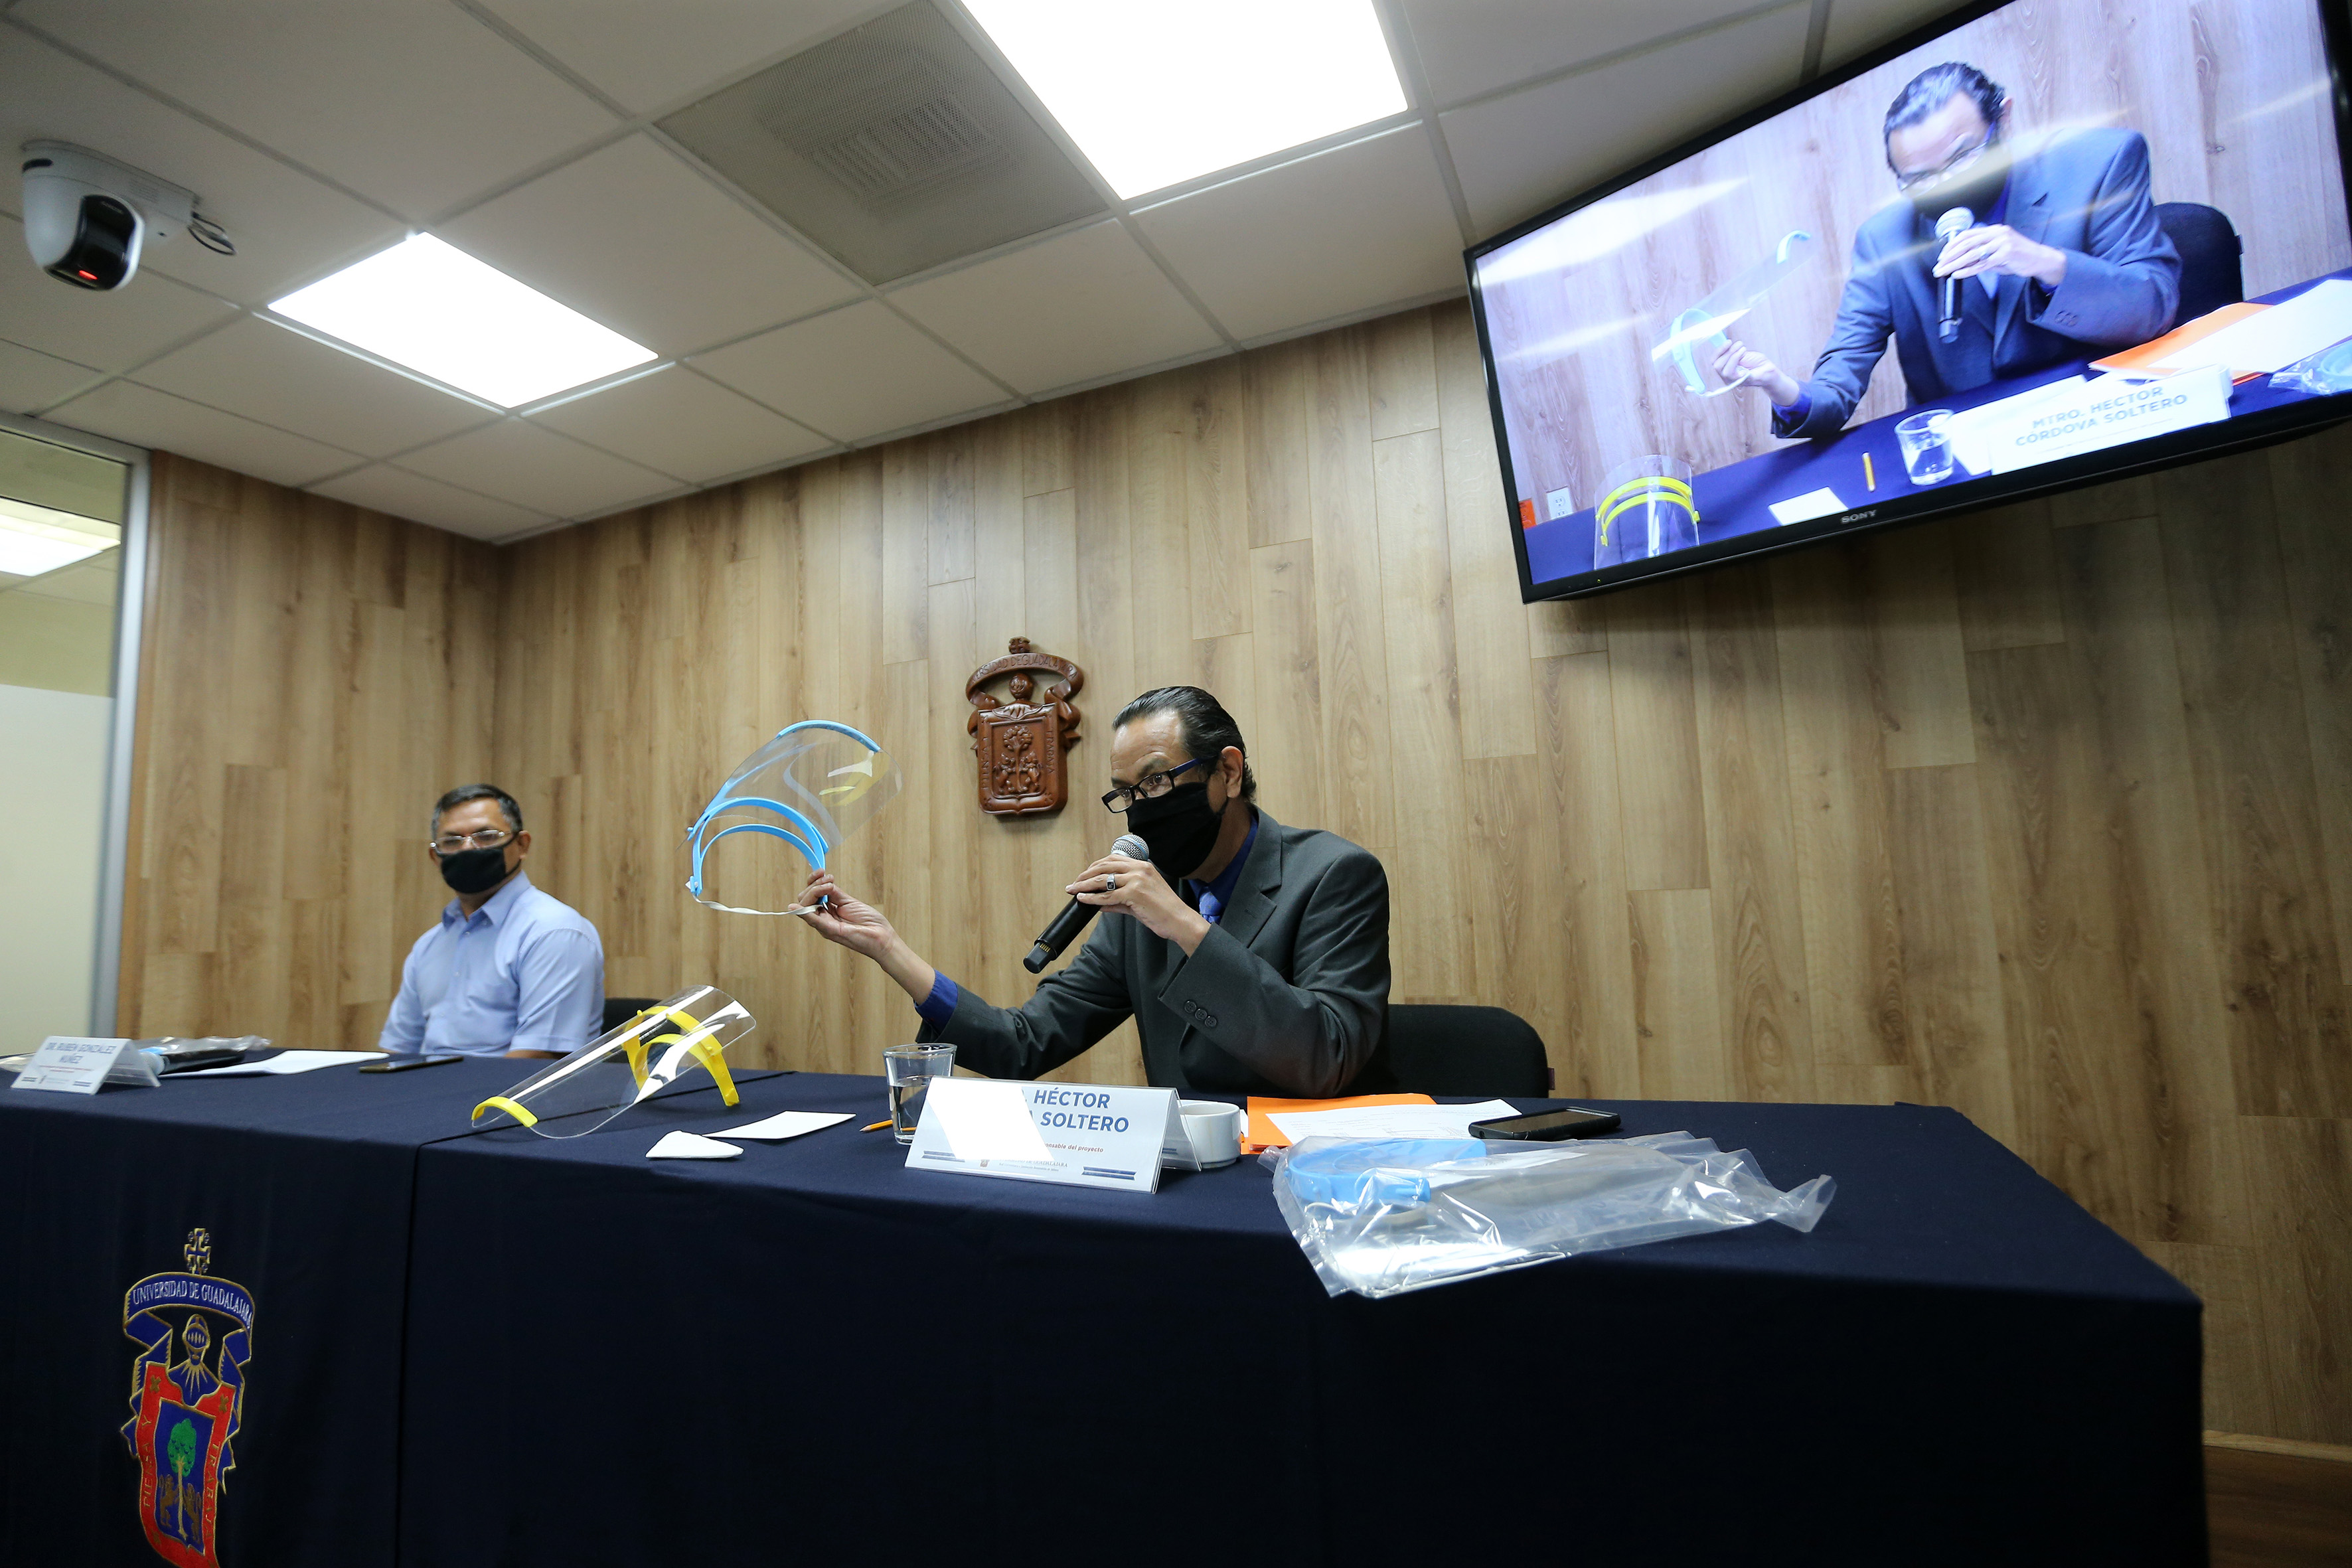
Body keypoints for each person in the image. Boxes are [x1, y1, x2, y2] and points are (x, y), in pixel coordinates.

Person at [794, 686, 1394, 1097]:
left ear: (1228, 773)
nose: (1139, 808)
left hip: (1312, 1181)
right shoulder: (1140, 908)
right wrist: (888, 948)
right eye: (1125, 792)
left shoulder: (1333, 875)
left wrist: (1184, 926)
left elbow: (1327, 1058)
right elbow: (1022, 1045)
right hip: (1186, 1181)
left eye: (1156, 781)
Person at [1715, 61, 2181, 437]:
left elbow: (2152, 308)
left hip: (2101, 425)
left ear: (2002, 120)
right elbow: (1839, 382)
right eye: (1919, 180)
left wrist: (2043, 264)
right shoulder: (1883, 239)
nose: (1946, 186)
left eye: (1961, 159)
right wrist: (1782, 389)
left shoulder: (2100, 162)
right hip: (1969, 462)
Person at [378, 784, 604, 1059]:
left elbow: (536, 1061)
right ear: (435, 857)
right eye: (452, 842)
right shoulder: (429, 945)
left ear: (522, 845)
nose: (468, 849)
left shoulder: (553, 931)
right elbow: (397, 1052)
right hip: (425, 1095)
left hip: (503, 1099)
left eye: (485, 836)